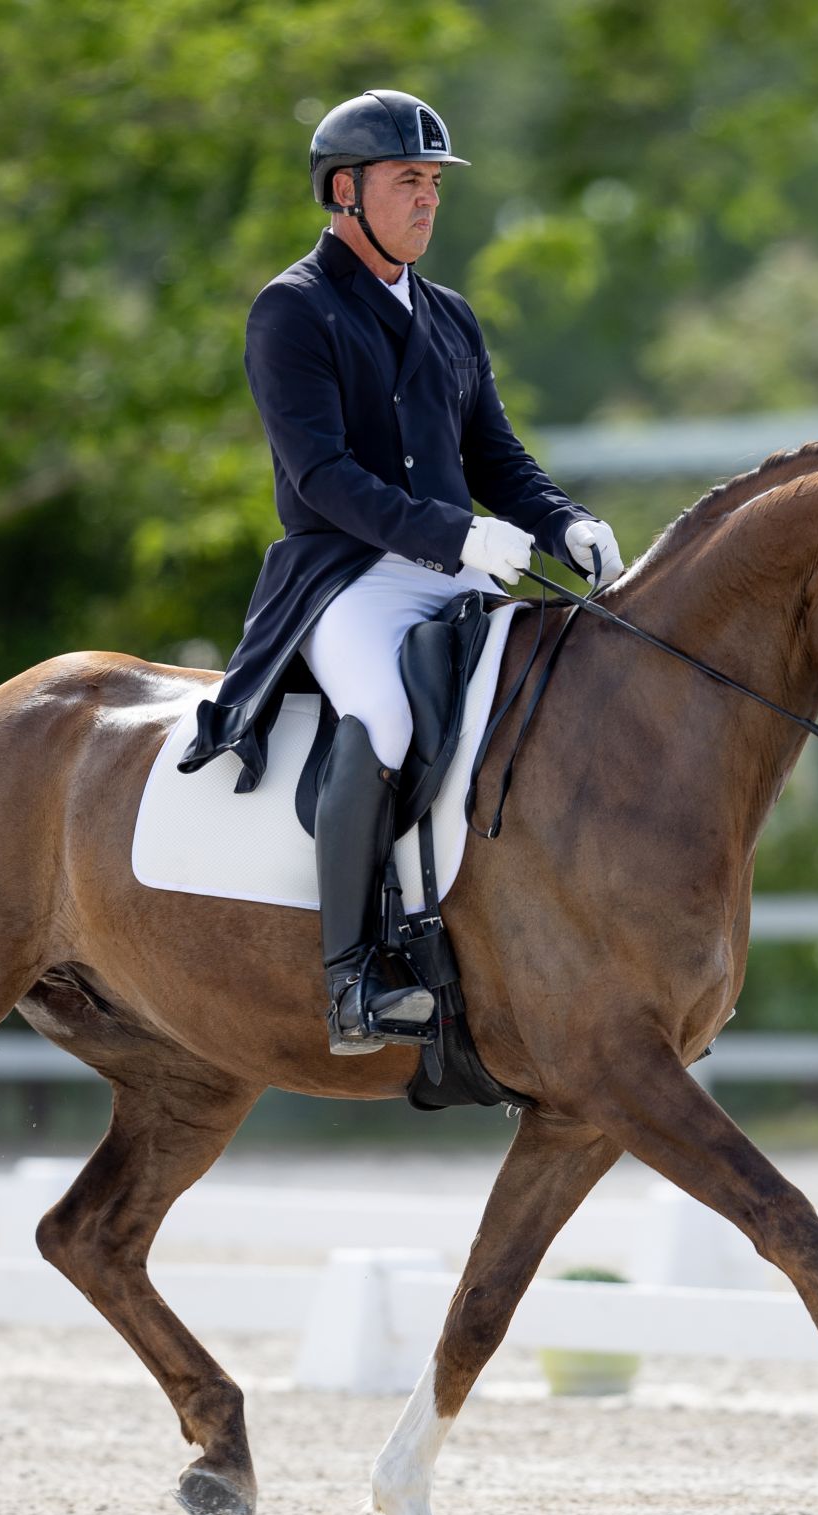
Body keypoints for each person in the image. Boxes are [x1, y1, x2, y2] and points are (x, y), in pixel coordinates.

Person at [176, 90, 623, 1055]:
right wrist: (456, 537)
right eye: (407, 181)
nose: (427, 201)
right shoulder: (292, 310)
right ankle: (352, 978)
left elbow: (497, 455)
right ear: (346, 191)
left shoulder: (451, 317)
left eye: (432, 183)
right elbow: (321, 476)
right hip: (347, 576)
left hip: (456, 567)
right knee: (381, 714)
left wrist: (564, 519)